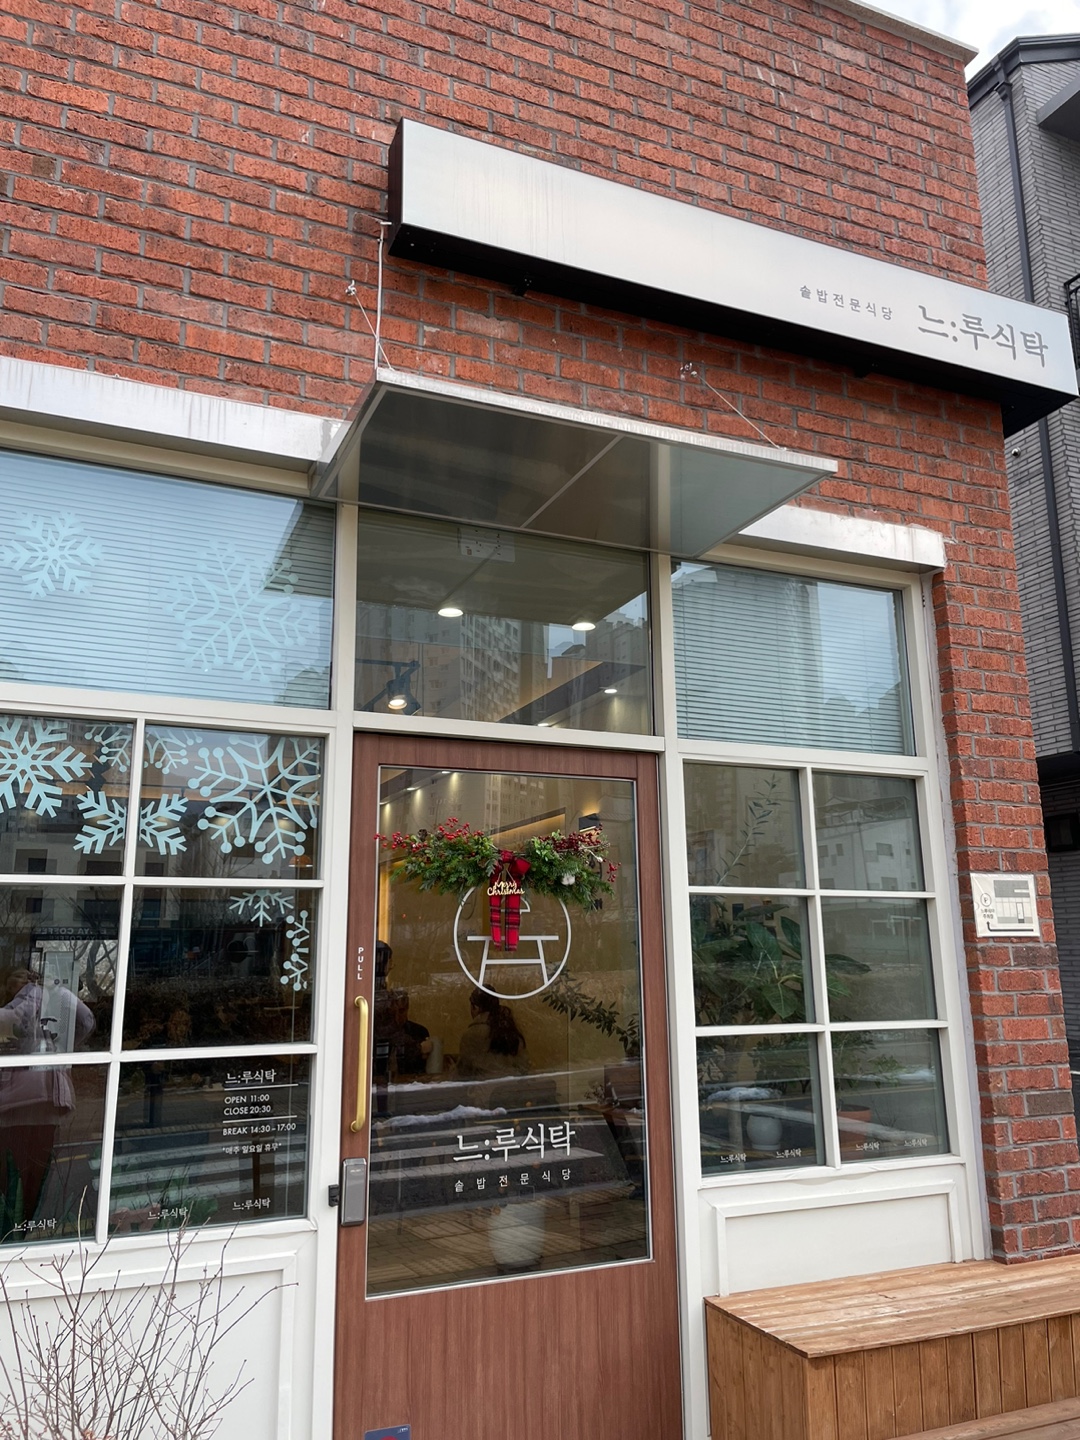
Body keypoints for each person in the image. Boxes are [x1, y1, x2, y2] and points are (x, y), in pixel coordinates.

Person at [456, 988, 528, 1081]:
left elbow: (463, 1073)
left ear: (475, 1007)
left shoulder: (472, 1034)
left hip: (485, 1089)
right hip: (514, 1087)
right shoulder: (511, 1030)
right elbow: (524, 1066)